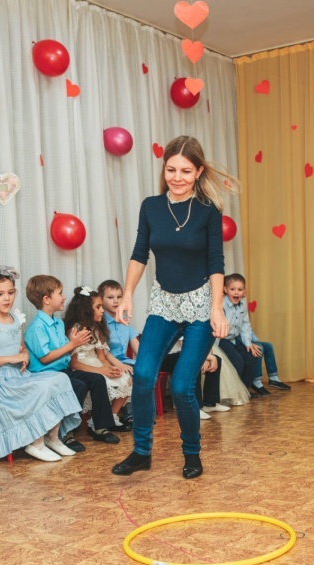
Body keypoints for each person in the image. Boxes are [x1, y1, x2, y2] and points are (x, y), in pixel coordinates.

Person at [111, 135, 238, 480]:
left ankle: (192, 453)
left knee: (182, 385)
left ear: (198, 172)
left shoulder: (208, 211)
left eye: (185, 170)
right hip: (164, 302)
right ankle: (141, 453)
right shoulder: (151, 207)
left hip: (200, 305)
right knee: (142, 374)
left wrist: (216, 309)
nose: (177, 177)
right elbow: (140, 254)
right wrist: (127, 295)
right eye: (171, 169)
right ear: (163, 169)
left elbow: (215, 262)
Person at [0, 267, 82, 462]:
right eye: (0, 294)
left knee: (60, 379)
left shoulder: (15, 320)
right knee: (40, 388)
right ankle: (35, 443)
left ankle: (52, 437)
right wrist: (10, 358)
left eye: (10, 293)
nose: (6, 299)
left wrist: (24, 355)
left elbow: (21, 348)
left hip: (18, 376)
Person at [23, 275, 120, 448]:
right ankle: (66, 433)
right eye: (60, 293)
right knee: (79, 385)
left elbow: (65, 351)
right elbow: (45, 358)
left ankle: (100, 427)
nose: (64, 297)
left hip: (62, 371)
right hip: (46, 374)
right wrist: (73, 344)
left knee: (97, 379)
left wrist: (74, 343)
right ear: (46, 299)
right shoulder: (37, 327)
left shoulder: (58, 323)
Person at [63, 286, 133, 431]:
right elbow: (74, 363)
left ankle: (112, 416)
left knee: (126, 379)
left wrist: (110, 368)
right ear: (86, 310)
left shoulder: (97, 329)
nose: (102, 310)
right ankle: (96, 421)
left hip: (96, 364)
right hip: (83, 367)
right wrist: (101, 371)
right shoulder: (76, 331)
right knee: (102, 381)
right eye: (98, 307)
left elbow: (101, 356)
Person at [220, 273, 266, 397]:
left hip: (234, 339)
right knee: (238, 361)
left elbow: (245, 325)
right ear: (225, 289)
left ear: (244, 291)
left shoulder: (243, 305)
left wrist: (248, 343)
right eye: (232, 289)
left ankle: (244, 390)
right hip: (221, 340)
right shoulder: (221, 304)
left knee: (252, 356)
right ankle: (234, 392)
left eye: (240, 290)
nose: (236, 292)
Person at [161, 340, 227, 419]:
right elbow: (188, 348)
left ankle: (210, 403)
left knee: (217, 359)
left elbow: (206, 344)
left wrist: (207, 357)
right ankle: (195, 408)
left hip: (183, 354)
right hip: (165, 357)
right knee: (193, 361)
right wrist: (206, 357)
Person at [99, 280, 139, 367]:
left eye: (119, 297)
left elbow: (138, 349)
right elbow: (102, 352)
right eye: (110, 297)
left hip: (126, 362)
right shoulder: (99, 322)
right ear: (101, 300)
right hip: (107, 365)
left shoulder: (125, 322)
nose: (116, 301)